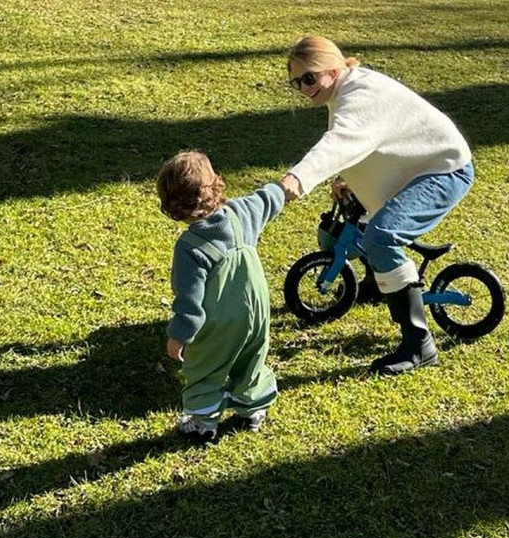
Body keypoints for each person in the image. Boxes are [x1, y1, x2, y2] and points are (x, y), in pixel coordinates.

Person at [278, 36, 474, 375]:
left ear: (334, 67)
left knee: (381, 237)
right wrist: (347, 180)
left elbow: (342, 139)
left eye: (310, 78)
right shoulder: (345, 89)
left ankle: (419, 345)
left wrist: (298, 178)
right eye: (297, 82)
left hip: (445, 170)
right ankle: (374, 285)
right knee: (360, 216)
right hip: (415, 165)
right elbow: (370, 141)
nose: (304, 88)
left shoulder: (359, 95)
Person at [157, 150, 284, 442]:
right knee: (251, 359)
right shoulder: (242, 213)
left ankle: (204, 422)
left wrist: (179, 336)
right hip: (257, 313)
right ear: (216, 186)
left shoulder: (190, 247)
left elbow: (189, 301)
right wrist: (283, 189)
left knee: (205, 367)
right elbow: (267, 200)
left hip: (219, 324)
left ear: (172, 206)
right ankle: (252, 410)